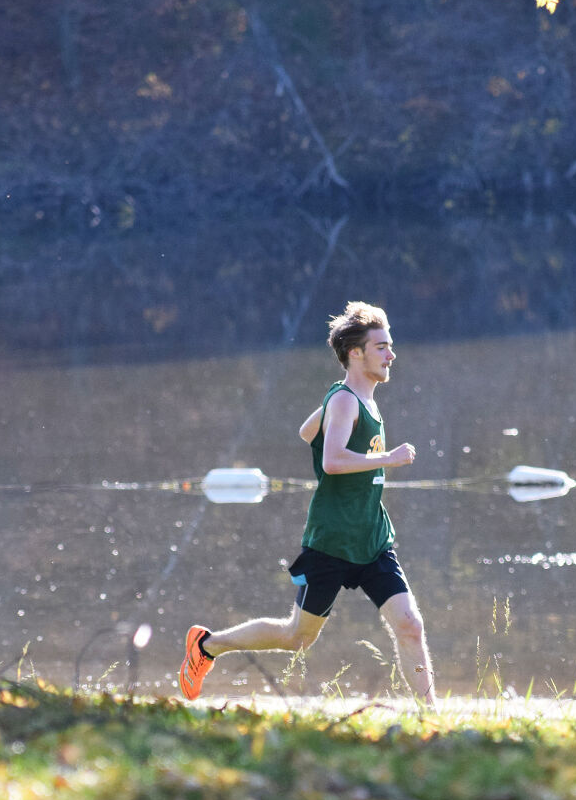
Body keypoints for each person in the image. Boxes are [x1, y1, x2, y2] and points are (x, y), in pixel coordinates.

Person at [179, 301, 436, 705]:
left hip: (371, 540)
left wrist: (335, 399)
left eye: (390, 346)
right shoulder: (348, 401)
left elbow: (305, 432)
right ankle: (206, 646)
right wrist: (389, 457)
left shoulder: (355, 398)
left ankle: (430, 714)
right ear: (356, 353)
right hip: (331, 543)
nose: (391, 355)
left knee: (410, 626)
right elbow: (332, 462)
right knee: (296, 637)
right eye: (382, 346)